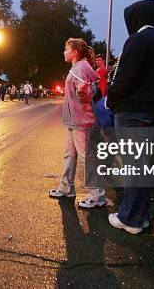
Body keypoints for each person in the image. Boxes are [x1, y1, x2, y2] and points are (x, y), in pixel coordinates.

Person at [106, 0, 154, 235]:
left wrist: (110, 98)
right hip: (147, 111)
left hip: (131, 110)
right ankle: (141, 215)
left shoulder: (138, 41)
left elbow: (123, 77)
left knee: (133, 167)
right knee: (141, 166)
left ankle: (129, 217)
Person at [49, 38, 106, 208]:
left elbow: (87, 93)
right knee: (70, 155)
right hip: (75, 120)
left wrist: (83, 92)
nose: (64, 52)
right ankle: (67, 187)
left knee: (86, 156)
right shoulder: (80, 67)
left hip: (80, 120)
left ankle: (97, 195)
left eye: (66, 49)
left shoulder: (80, 68)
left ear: (74, 52)